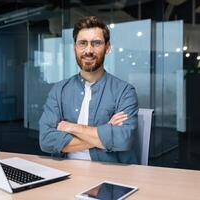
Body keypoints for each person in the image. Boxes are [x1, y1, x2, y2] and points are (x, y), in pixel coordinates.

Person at [39, 16, 138, 164]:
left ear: (107, 47)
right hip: (65, 172)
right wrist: (106, 131)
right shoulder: (59, 90)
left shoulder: (124, 91)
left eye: (96, 43)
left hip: (110, 174)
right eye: (82, 43)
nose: (89, 50)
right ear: (75, 48)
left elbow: (123, 139)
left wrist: (70, 127)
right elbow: (46, 140)